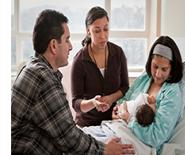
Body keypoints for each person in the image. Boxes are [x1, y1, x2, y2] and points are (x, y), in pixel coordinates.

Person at [11, 9, 135, 155]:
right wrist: (104, 149)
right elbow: (69, 137)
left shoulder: (35, 68)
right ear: (53, 45)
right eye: (67, 39)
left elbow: (64, 133)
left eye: (106, 29)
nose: (70, 46)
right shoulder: (44, 79)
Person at [114, 35, 183, 154]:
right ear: (150, 61)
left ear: (172, 69)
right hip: (118, 128)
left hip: (141, 144)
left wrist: (129, 119)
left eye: (164, 69)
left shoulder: (171, 93)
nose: (157, 74)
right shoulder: (144, 78)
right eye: (155, 66)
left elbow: (156, 137)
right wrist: (116, 111)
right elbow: (124, 100)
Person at [71, 6, 129, 127]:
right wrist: (93, 103)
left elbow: (125, 87)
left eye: (106, 29)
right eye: (97, 31)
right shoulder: (80, 61)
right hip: (87, 124)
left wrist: (111, 98)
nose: (103, 36)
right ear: (88, 31)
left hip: (115, 122)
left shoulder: (118, 53)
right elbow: (76, 104)